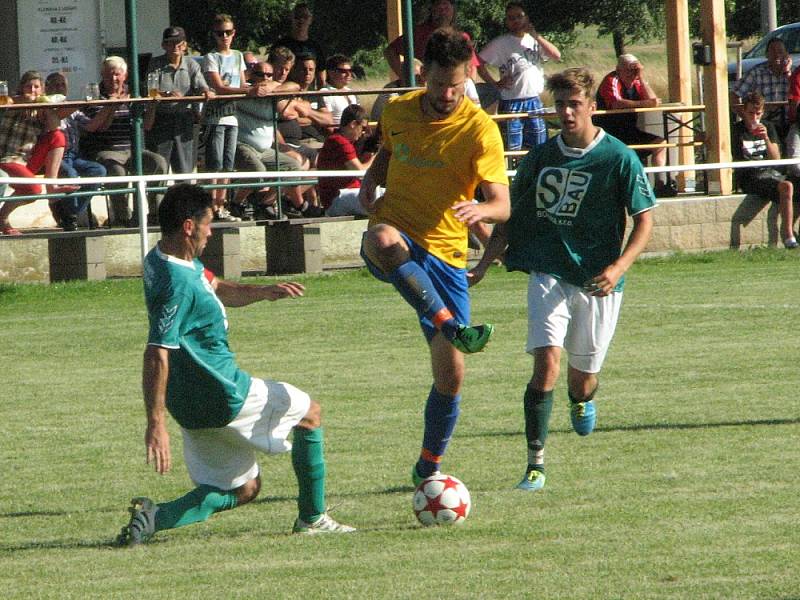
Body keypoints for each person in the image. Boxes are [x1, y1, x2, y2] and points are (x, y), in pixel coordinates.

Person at [115, 183, 355, 546]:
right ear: (188, 226)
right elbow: (156, 352)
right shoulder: (176, 283)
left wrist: (263, 292)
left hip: (190, 407)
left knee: (244, 489)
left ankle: (153, 518)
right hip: (224, 392)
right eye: (209, 223)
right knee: (310, 414)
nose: (212, 231)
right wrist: (155, 423)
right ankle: (312, 517)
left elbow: (216, 286)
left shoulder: (164, 257)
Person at [469, 67, 655, 492]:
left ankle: (583, 399)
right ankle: (535, 464)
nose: (567, 113)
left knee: (580, 378)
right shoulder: (541, 157)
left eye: (575, 105)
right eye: (560, 105)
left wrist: (617, 268)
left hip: (597, 281)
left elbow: (645, 222)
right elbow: (510, 220)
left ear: (592, 107)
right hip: (548, 271)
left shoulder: (618, 158)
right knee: (546, 364)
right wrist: (483, 265)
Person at [359, 29, 510, 485]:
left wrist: (480, 207)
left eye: (457, 85)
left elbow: (502, 205)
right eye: (440, 83)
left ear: (469, 77)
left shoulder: (480, 129)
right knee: (381, 240)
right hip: (397, 232)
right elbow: (388, 150)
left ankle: (428, 467)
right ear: (422, 74)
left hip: (445, 253)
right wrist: (371, 179)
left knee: (451, 378)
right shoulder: (399, 110)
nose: (448, 94)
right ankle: (450, 325)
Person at [82, 56, 168, 226]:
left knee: (159, 162)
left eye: (117, 75)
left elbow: (147, 125)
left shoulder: (133, 93)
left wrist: (152, 106)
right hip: (108, 149)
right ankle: (123, 217)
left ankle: (155, 213)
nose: (113, 79)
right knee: (116, 170)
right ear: (102, 75)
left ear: (125, 75)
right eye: (108, 75)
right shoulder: (95, 94)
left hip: (133, 148)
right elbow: (101, 127)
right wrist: (112, 105)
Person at [233, 61, 316, 219]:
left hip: (265, 150)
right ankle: (236, 203)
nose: (264, 78)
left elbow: (295, 86)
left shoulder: (273, 94)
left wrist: (273, 87)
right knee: (258, 173)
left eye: (269, 75)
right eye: (260, 74)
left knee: (293, 167)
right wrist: (257, 89)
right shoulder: (243, 92)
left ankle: (265, 203)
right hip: (243, 145)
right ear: (251, 75)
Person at [0, 70, 78, 235]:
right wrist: (25, 100)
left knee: (57, 136)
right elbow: (10, 101)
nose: (33, 91)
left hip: (27, 159)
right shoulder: (11, 102)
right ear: (22, 88)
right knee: (34, 190)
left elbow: (55, 126)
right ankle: (3, 218)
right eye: (29, 86)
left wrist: (48, 110)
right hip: (7, 159)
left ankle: (52, 185)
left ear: (42, 91)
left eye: (37, 87)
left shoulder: (41, 110)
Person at [477, 2, 561, 151]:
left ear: (526, 18)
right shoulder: (501, 43)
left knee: (538, 144)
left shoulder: (534, 40)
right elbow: (479, 63)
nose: (516, 21)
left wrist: (536, 35)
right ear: (506, 22)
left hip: (534, 99)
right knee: (512, 146)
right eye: (511, 18)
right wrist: (495, 84)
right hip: (511, 101)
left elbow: (556, 55)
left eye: (519, 16)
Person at [595, 53, 673, 196]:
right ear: (619, 70)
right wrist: (645, 103)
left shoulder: (637, 82)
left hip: (630, 130)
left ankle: (660, 185)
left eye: (635, 69)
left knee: (660, 144)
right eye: (629, 70)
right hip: (610, 131)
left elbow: (653, 100)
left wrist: (641, 77)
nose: (632, 73)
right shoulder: (612, 80)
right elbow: (616, 104)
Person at [203, 14, 252, 222]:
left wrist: (251, 89)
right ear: (214, 35)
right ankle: (211, 206)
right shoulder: (211, 57)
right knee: (215, 164)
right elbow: (219, 87)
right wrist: (247, 92)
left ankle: (221, 205)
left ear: (234, 34)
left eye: (228, 32)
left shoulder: (238, 56)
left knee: (228, 164)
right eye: (220, 33)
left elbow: (241, 83)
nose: (225, 36)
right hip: (216, 117)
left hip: (232, 116)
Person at [732, 91, 797, 248]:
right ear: (743, 111)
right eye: (751, 113)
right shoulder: (736, 130)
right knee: (786, 186)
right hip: (750, 175)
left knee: (794, 184)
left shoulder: (768, 127)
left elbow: (776, 159)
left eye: (758, 114)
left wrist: (766, 138)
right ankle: (788, 235)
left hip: (770, 173)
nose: (754, 118)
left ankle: (792, 230)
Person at [43, 72, 107, 231]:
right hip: (54, 156)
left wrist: (109, 107)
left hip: (73, 155)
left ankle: (70, 213)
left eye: (62, 85)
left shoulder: (73, 109)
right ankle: (69, 216)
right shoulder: (45, 107)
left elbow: (91, 126)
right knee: (70, 175)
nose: (59, 88)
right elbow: (57, 116)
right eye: (55, 85)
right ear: (47, 88)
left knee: (98, 170)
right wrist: (83, 100)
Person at [145, 26, 212, 176]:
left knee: (185, 171)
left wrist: (206, 92)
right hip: (160, 121)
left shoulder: (191, 64)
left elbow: (202, 86)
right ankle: (157, 198)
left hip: (184, 121)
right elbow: (150, 90)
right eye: (170, 42)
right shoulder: (155, 64)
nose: (175, 46)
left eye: (179, 42)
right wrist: (167, 94)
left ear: (184, 45)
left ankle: (185, 198)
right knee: (158, 169)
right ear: (163, 45)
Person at [317, 104, 374, 216]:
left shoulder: (344, 141)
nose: (363, 132)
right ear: (353, 124)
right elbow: (360, 171)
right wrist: (377, 157)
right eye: (362, 128)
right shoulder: (338, 141)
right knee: (377, 200)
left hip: (349, 193)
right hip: (337, 198)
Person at [731, 38, 792, 136]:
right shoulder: (756, 73)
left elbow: (797, 94)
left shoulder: (793, 73)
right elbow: (734, 95)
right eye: (773, 51)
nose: (777, 55)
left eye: (780, 51)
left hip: (789, 123)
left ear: (787, 54)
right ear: (767, 54)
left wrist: (788, 72)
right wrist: (747, 118)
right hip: (763, 123)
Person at [275, 3, 327, 87]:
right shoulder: (281, 44)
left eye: (305, 17)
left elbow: (321, 77)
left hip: (307, 93)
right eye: (297, 17)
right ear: (291, 18)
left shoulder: (315, 46)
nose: (301, 20)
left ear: (310, 20)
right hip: (284, 91)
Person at [320, 55, 359, 127]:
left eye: (350, 70)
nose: (348, 74)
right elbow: (328, 123)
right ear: (331, 73)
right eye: (343, 71)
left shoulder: (351, 92)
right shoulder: (325, 93)